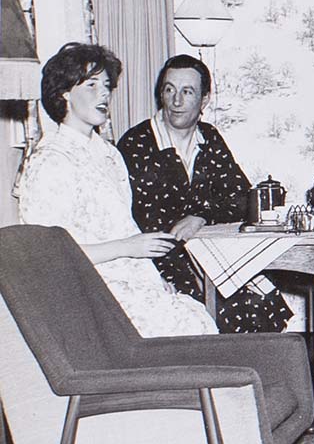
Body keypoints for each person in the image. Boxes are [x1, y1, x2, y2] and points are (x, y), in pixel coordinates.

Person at [17, 42, 217, 338]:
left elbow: (121, 227)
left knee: (198, 321)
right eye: (91, 85)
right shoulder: (49, 161)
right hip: (90, 298)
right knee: (192, 330)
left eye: (107, 86)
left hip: (130, 285)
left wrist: (151, 277)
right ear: (64, 93)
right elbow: (47, 257)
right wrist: (129, 248)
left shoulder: (110, 156)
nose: (103, 95)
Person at [117, 55, 293, 333]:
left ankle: (256, 374)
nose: (176, 101)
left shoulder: (209, 137)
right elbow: (134, 218)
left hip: (209, 254)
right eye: (169, 89)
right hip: (158, 259)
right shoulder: (137, 142)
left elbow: (241, 198)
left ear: (205, 99)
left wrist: (201, 216)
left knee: (261, 299)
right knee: (220, 309)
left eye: (187, 92)